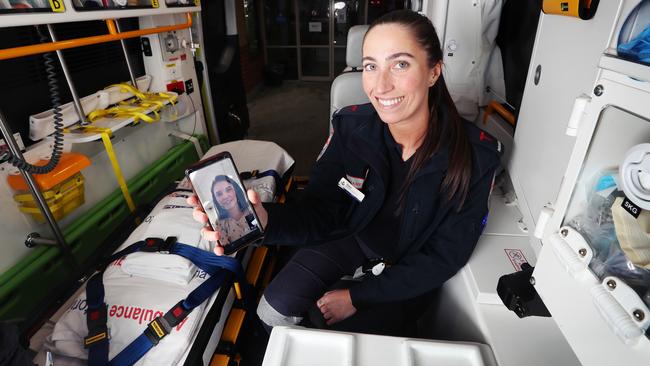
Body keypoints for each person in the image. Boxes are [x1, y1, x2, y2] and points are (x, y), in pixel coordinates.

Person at [190, 10, 500, 330]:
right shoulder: (351, 127)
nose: (381, 85)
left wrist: (357, 296)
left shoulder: (477, 156)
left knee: (349, 344)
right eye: (370, 66)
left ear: (434, 72)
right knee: (271, 313)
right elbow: (321, 209)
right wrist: (266, 220)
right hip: (351, 237)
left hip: (408, 266)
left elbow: (444, 257)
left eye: (400, 64)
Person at [210, 175, 254, 245]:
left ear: (236, 190)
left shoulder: (252, 210)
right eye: (219, 194)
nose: (225, 196)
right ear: (216, 200)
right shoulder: (219, 224)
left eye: (228, 189)